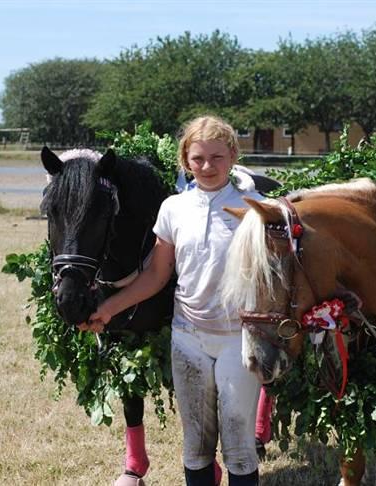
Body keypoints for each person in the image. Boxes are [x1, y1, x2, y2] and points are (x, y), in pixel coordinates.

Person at [83, 115, 262, 486]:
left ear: (233, 155)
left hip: (238, 339)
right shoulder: (173, 208)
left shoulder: (257, 207)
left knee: (239, 446)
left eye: (216, 157)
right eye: (198, 159)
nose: (207, 166)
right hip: (188, 337)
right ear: (185, 160)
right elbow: (156, 275)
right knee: (195, 445)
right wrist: (108, 309)